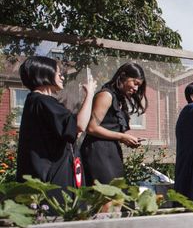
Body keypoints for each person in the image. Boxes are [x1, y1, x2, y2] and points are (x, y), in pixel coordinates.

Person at [16, 56, 97, 188]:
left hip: (44, 175)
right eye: (59, 73)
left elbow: (68, 133)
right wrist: (90, 94)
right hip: (52, 179)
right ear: (44, 73)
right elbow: (79, 125)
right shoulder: (43, 101)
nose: (62, 77)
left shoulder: (34, 101)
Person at [81, 62, 147, 185]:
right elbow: (91, 127)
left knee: (116, 197)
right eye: (135, 83)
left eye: (139, 85)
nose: (136, 88)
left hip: (111, 150)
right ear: (123, 76)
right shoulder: (106, 95)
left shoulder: (119, 99)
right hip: (98, 151)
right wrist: (122, 137)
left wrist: (127, 139)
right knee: (107, 198)